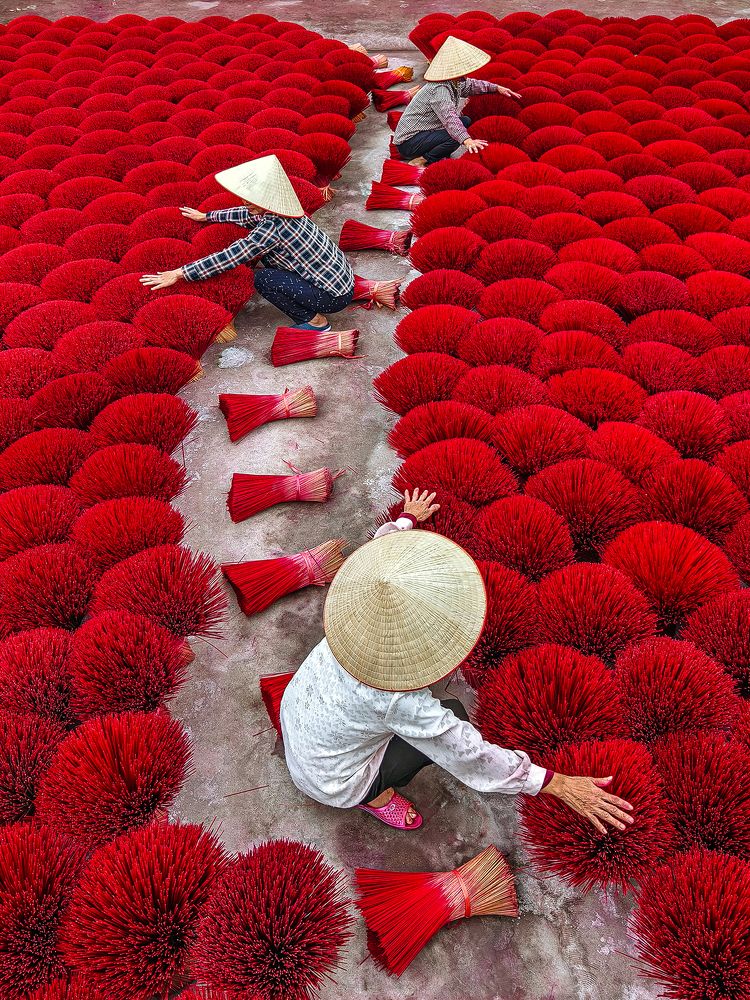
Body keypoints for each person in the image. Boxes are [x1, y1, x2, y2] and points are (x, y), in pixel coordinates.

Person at [279, 488, 635, 833]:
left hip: (299, 717)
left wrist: (405, 520)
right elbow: (469, 754)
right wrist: (555, 783)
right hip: (332, 780)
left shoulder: (354, 608)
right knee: (455, 712)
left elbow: (377, 560)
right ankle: (370, 796)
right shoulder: (398, 701)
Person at [140, 154, 354, 332]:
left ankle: (315, 321)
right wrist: (207, 216)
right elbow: (246, 214)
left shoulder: (272, 228)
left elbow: (229, 257)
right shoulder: (283, 211)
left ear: (266, 200)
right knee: (269, 260)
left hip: (332, 297)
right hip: (341, 282)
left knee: (262, 278)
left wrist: (179, 273)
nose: (244, 202)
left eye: (251, 199)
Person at [394, 35, 521, 166]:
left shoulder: (453, 81)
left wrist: (496, 88)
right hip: (409, 143)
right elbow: (449, 118)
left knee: (465, 121)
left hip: (424, 133)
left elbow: (471, 85)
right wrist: (467, 140)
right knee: (455, 137)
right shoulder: (439, 90)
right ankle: (424, 159)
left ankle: (436, 150)